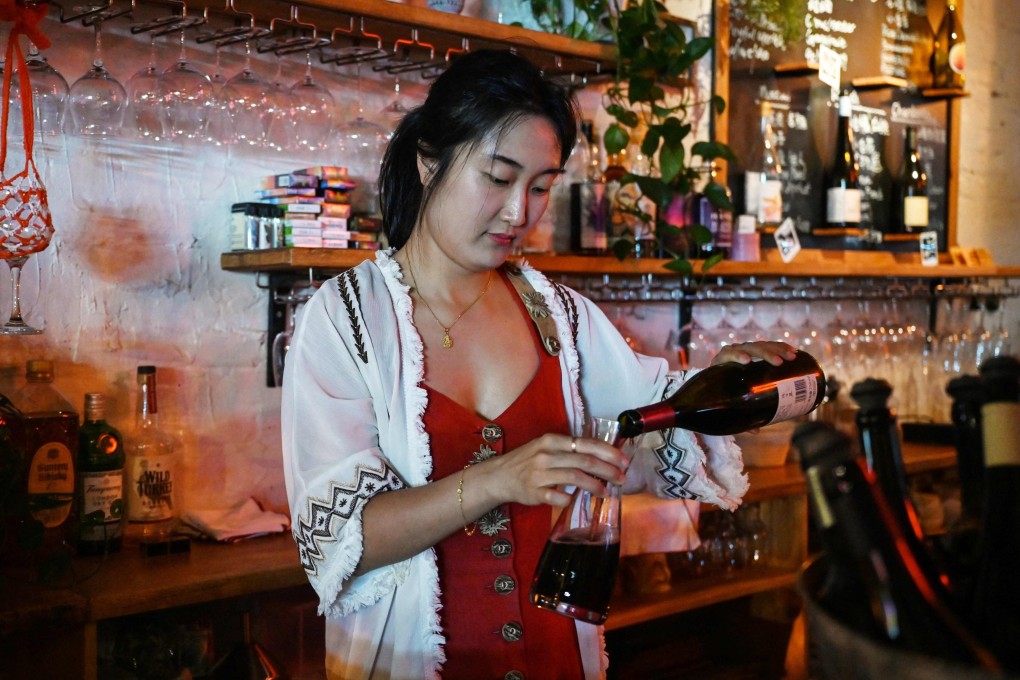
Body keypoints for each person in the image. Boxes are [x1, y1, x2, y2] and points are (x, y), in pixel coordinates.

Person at [281, 49, 796, 680]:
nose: (518, 212)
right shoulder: (346, 320)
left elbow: (659, 418)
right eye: (497, 178)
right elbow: (340, 540)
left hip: (556, 657)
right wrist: (496, 480)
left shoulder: (558, 315)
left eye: (542, 188)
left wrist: (730, 373)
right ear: (428, 162)